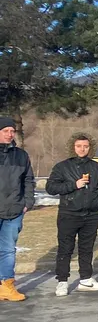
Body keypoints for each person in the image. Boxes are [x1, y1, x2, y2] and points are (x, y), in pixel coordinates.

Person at [46, 133, 98, 296]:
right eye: (79, 146)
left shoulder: (96, 166)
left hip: (92, 215)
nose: (82, 149)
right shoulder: (62, 167)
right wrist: (73, 185)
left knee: (87, 248)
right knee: (65, 248)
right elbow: (51, 188)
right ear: (72, 147)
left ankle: (86, 280)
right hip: (69, 213)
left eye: (86, 146)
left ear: (90, 147)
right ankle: (62, 281)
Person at [0, 117, 34, 302]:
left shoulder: (21, 155)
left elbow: (28, 180)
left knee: (7, 249)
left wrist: (28, 202)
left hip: (14, 210)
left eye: (11, 131)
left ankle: (7, 286)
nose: (9, 134)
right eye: (5, 130)